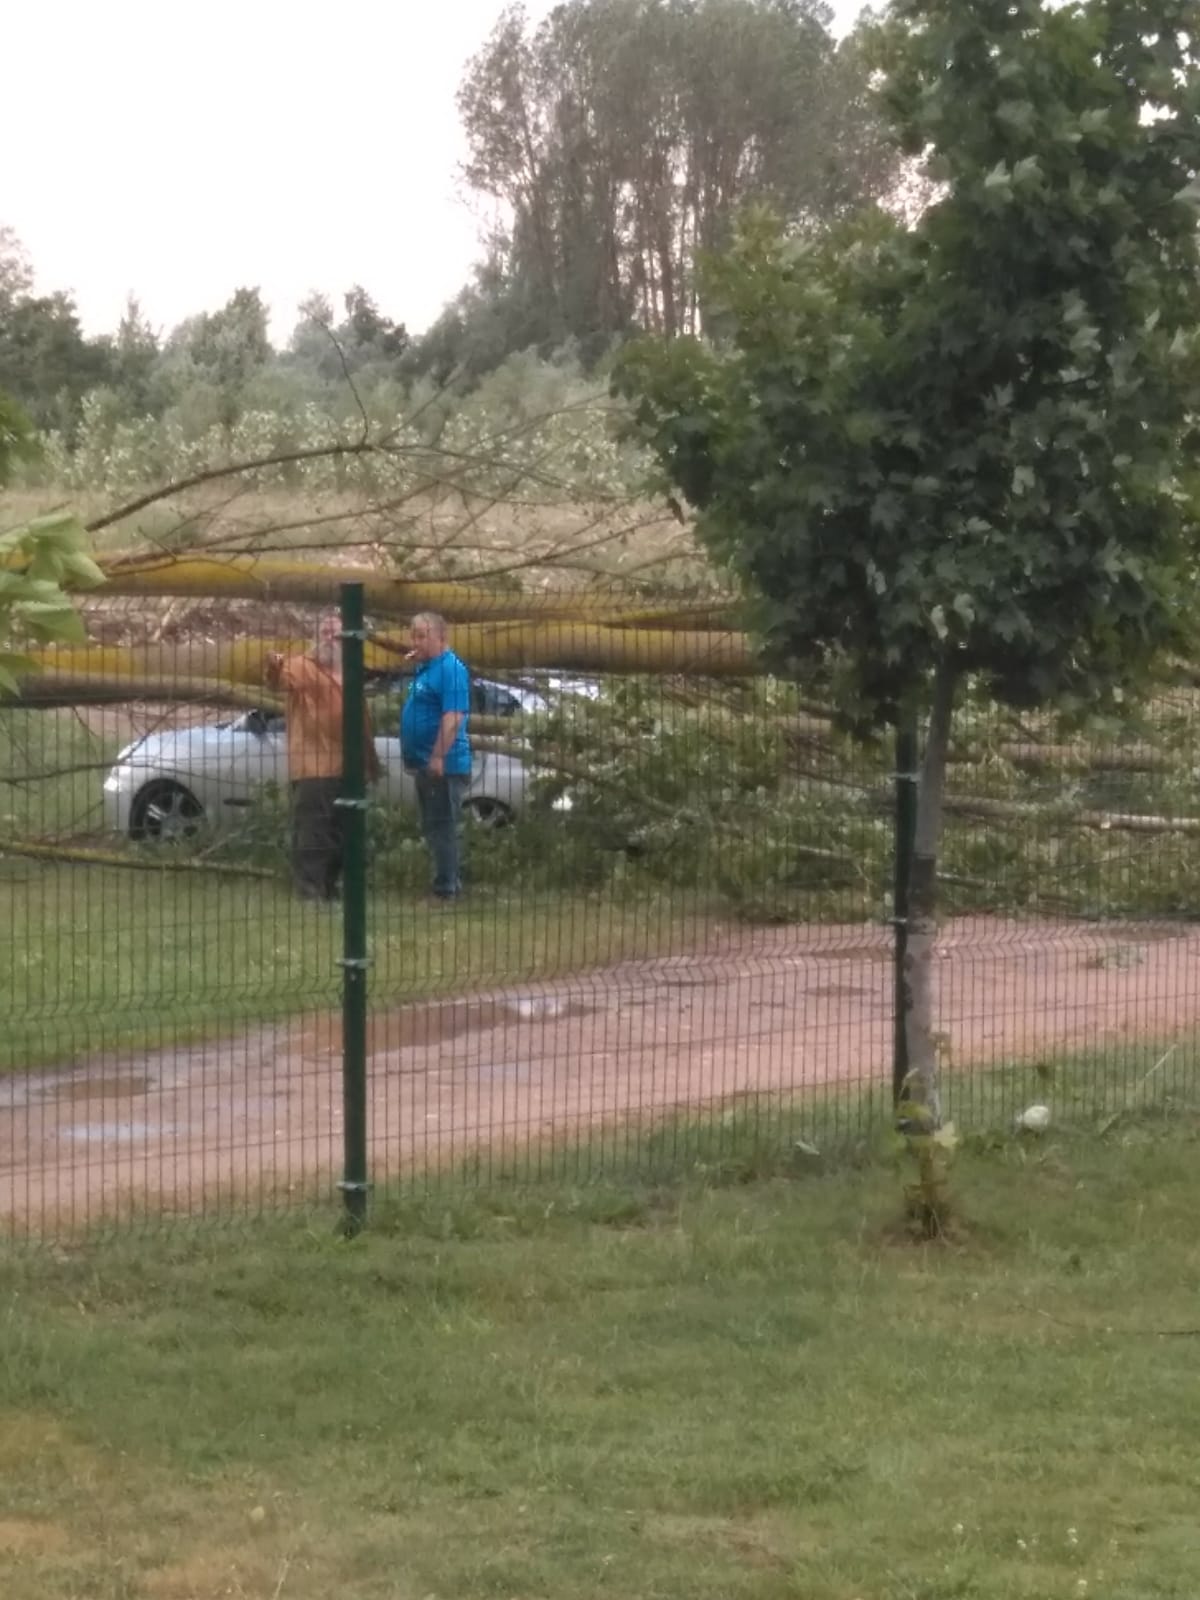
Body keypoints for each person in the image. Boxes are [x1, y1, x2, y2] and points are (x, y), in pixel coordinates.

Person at [264, 613, 381, 901]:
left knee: (344, 834)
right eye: (325, 631)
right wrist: (274, 667)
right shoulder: (302, 667)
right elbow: (279, 681)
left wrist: (369, 763)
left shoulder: (351, 671)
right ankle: (310, 893)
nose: (330, 638)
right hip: (314, 766)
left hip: (350, 767)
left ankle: (332, 888)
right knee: (313, 833)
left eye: (336, 633)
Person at [399, 612, 472, 902]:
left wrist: (438, 756)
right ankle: (445, 881)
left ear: (441, 637)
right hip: (423, 763)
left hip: (445, 764)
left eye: (422, 636)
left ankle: (446, 890)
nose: (416, 641)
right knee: (433, 825)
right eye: (413, 635)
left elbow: (453, 717)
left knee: (443, 826)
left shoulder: (451, 669)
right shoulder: (427, 668)